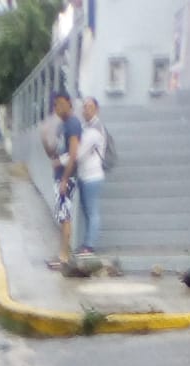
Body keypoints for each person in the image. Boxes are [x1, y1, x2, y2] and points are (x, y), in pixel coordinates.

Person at [48, 91, 81, 268]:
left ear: (69, 103)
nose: (58, 108)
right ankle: (62, 254)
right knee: (62, 216)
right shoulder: (63, 125)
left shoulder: (73, 124)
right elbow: (58, 150)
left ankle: (64, 257)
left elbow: (74, 154)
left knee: (65, 216)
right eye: (55, 105)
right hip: (60, 176)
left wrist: (64, 179)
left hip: (66, 178)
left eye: (60, 104)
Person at [76, 96, 106, 255]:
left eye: (89, 107)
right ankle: (87, 243)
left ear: (96, 109)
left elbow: (79, 154)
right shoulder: (85, 127)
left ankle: (90, 245)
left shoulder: (95, 130)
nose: (85, 110)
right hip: (84, 175)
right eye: (84, 107)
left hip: (92, 177)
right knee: (87, 211)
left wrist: (60, 160)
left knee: (92, 211)